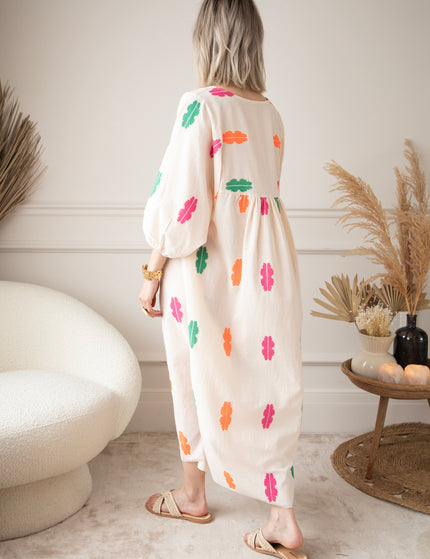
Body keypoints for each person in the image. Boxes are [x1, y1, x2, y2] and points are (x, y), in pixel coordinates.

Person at [139, 1, 307, 557]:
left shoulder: (201, 105)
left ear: (208, 40)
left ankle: (193, 496)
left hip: (206, 266)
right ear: (252, 40)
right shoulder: (271, 114)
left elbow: (183, 205)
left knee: (192, 373)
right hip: (267, 267)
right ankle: (281, 517)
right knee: (271, 380)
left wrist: (153, 270)